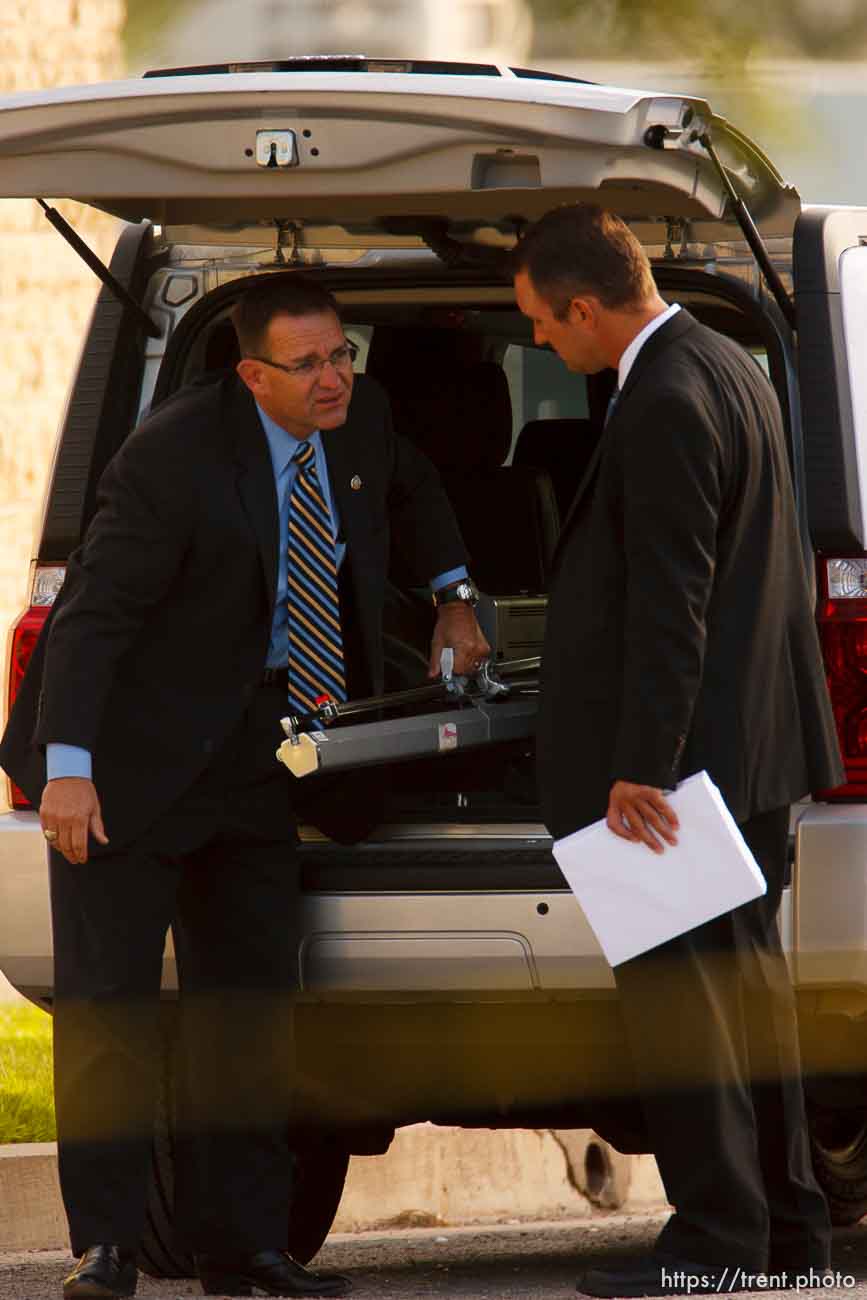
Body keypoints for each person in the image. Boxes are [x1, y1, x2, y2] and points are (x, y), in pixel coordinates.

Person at [0, 275, 489, 1300]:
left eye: (341, 354)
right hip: (128, 765)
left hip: (260, 753)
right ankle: (106, 1247)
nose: (334, 378)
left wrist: (453, 599)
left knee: (249, 1009)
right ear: (251, 372)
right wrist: (69, 774)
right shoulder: (172, 457)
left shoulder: (358, 423)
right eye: (308, 364)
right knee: (111, 1011)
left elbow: (414, 487)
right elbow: (90, 620)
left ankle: (245, 1245)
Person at [512, 204, 844, 1297]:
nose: (544, 348)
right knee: (747, 1001)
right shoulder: (733, 363)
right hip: (748, 752)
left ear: (585, 305)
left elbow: (674, 600)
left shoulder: (659, 399)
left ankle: (714, 1248)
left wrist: (641, 765)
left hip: (677, 776)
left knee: (682, 1012)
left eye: (544, 327)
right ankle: (790, 1237)